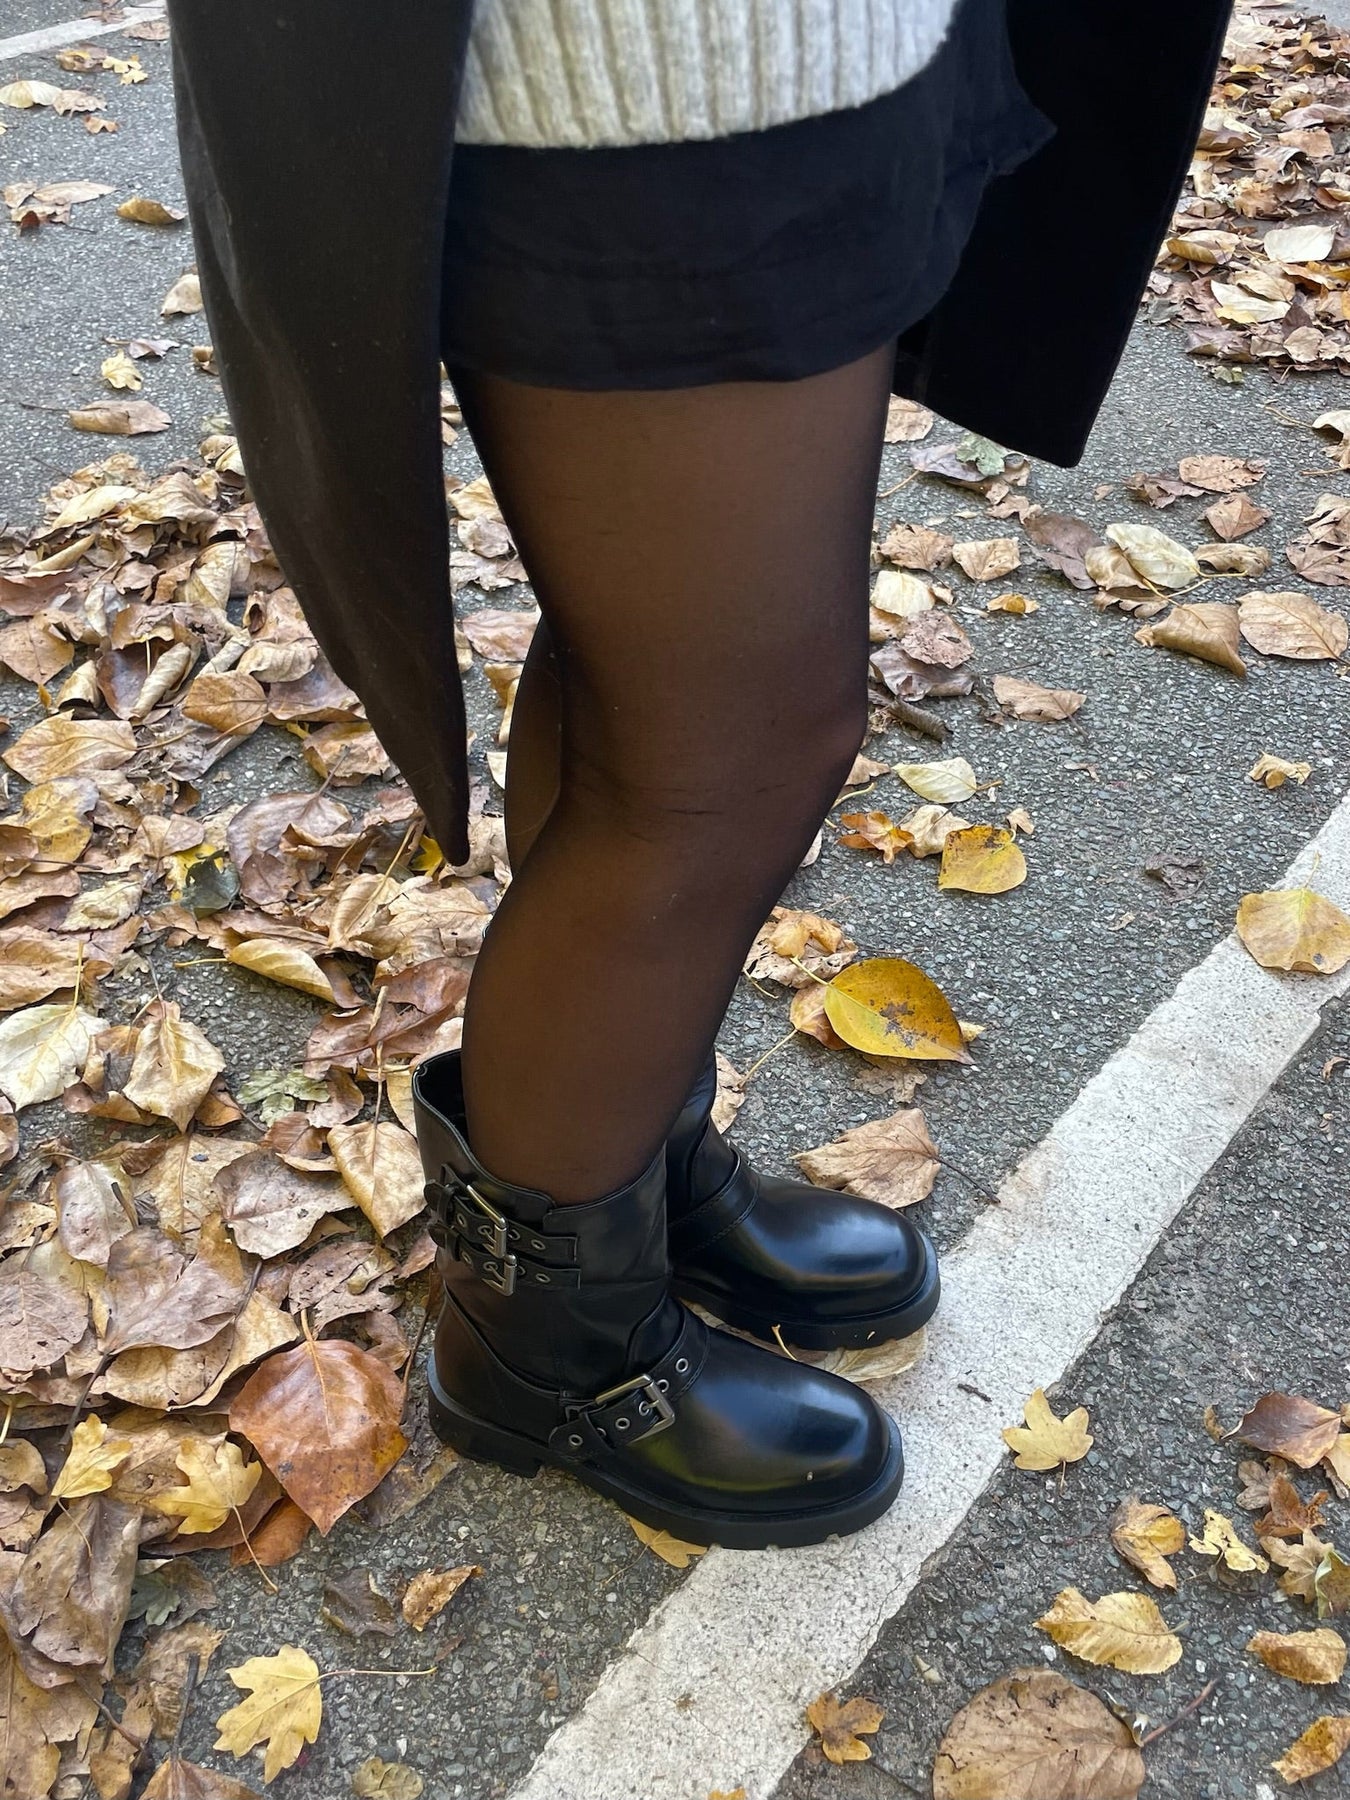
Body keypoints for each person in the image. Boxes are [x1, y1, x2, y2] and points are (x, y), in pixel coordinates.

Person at [167, 0, 1233, 1548]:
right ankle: (546, 1353)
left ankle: (626, 1176)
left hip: (812, 55)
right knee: (718, 763)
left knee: (644, 685)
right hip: (640, 87)